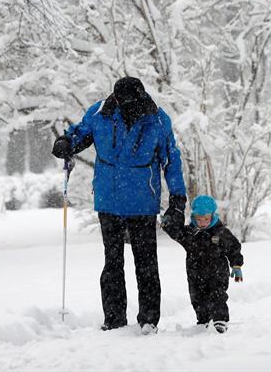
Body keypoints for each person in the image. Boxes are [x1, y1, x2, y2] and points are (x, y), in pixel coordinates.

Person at [52, 77, 187, 334]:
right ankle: (114, 319)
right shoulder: (100, 113)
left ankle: (148, 320)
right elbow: (81, 134)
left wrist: (178, 199)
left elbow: (171, 159)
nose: (123, 105)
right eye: (119, 99)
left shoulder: (157, 119)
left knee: (146, 263)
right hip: (109, 200)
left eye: (128, 101)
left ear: (140, 97)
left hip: (142, 202)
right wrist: (66, 142)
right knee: (112, 262)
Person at [161, 194, 244, 333]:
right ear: (194, 217)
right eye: (199, 219)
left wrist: (236, 265)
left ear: (213, 216)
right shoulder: (189, 233)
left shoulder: (220, 232)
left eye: (206, 219)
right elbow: (176, 232)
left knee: (218, 295)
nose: (202, 222)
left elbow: (233, 248)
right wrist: (167, 224)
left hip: (217, 273)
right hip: (195, 273)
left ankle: (220, 320)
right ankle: (203, 321)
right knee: (197, 298)